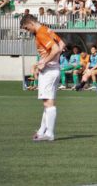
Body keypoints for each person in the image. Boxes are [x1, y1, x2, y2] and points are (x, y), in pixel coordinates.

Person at [20, 14, 66, 142]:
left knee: (48, 103)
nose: (27, 31)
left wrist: (44, 61)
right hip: (53, 69)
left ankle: (49, 133)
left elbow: (56, 49)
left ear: (30, 23)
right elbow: (62, 44)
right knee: (47, 102)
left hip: (49, 71)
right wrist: (52, 60)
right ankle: (42, 131)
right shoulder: (47, 29)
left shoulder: (41, 33)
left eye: (27, 28)